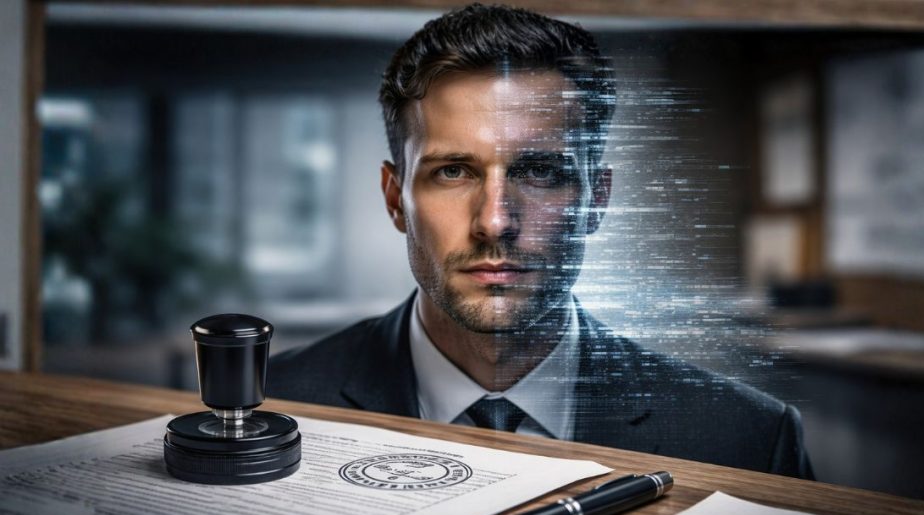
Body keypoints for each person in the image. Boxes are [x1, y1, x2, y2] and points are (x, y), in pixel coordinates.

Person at [269, 3, 813, 479]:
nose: (496, 221)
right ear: (395, 199)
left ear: (596, 200)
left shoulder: (746, 440)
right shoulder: (272, 405)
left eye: (541, 172)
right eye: (454, 172)